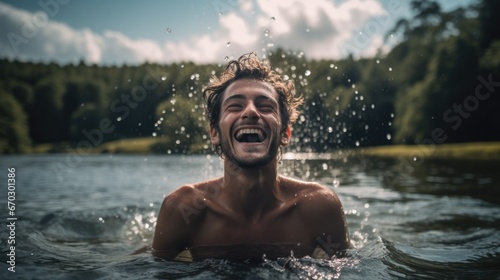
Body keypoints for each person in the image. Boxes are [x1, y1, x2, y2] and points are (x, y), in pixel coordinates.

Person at [152, 52, 349, 262]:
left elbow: (348, 270)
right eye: (235, 106)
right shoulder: (184, 210)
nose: (251, 112)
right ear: (215, 133)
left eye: (265, 106)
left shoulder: (318, 208)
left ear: (285, 134)